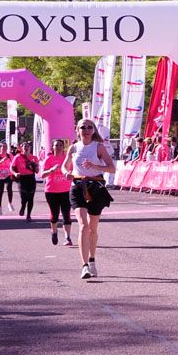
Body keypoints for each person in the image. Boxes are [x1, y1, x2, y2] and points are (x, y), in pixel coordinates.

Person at [64, 119, 116, 279]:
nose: (86, 130)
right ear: (77, 130)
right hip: (78, 186)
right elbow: (64, 165)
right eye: (83, 127)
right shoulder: (73, 147)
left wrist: (95, 166)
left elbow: (112, 168)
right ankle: (84, 265)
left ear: (93, 130)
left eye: (89, 127)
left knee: (93, 228)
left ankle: (92, 260)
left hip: (96, 186)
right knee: (83, 226)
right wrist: (66, 172)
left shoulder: (98, 147)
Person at [41, 139, 75, 247]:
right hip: (51, 191)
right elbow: (42, 175)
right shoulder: (49, 159)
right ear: (52, 147)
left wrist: (71, 174)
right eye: (56, 145)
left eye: (61, 145)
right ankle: (54, 232)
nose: (59, 147)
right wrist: (51, 170)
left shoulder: (67, 159)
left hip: (66, 191)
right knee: (54, 214)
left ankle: (67, 237)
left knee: (66, 214)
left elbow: (73, 171)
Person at [13, 142, 39, 220]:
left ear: (30, 148)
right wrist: (15, 173)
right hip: (22, 178)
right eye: (24, 146)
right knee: (24, 197)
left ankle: (28, 215)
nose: (26, 148)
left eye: (27, 146)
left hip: (31, 178)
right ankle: (23, 206)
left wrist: (35, 165)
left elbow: (37, 171)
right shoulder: (17, 157)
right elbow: (12, 167)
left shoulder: (34, 158)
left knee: (31, 198)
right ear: (21, 148)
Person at [0, 143, 15, 215]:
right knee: (0, 192)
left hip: (8, 175)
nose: (4, 148)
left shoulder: (10, 155)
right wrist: (1, 161)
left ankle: (10, 203)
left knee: (9, 188)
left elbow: (13, 164)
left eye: (6, 147)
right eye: (3, 147)